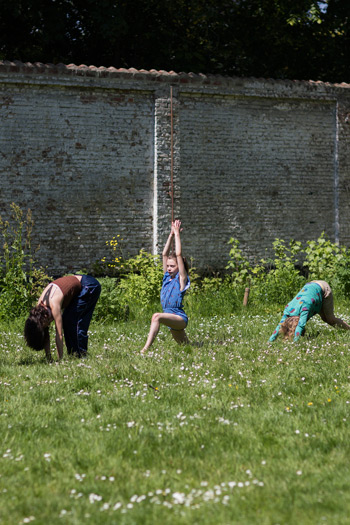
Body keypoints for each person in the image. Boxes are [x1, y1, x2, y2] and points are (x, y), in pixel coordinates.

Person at [24, 274, 101, 360]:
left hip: (89, 285)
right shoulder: (39, 310)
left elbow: (59, 335)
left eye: (49, 320)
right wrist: (48, 357)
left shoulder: (54, 304)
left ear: (45, 316)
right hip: (80, 287)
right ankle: (73, 354)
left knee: (74, 321)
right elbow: (46, 333)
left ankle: (81, 355)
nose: (50, 321)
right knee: (68, 320)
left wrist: (60, 359)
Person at [141, 220, 190, 353]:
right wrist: (170, 235)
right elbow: (164, 254)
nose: (168, 268)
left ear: (179, 267)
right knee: (187, 346)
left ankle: (145, 350)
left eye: (172, 266)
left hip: (179, 318)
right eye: (167, 266)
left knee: (157, 316)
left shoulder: (181, 279)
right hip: (170, 319)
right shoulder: (166, 278)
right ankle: (209, 345)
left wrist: (177, 235)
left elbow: (178, 254)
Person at [269, 280, 350, 342]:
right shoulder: (288, 309)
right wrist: (270, 341)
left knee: (330, 320)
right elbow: (279, 325)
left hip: (323, 288)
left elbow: (301, 325)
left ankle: (348, 330)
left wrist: (295, 343)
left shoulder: (304, 308)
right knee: (324, 319)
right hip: (311, 286)